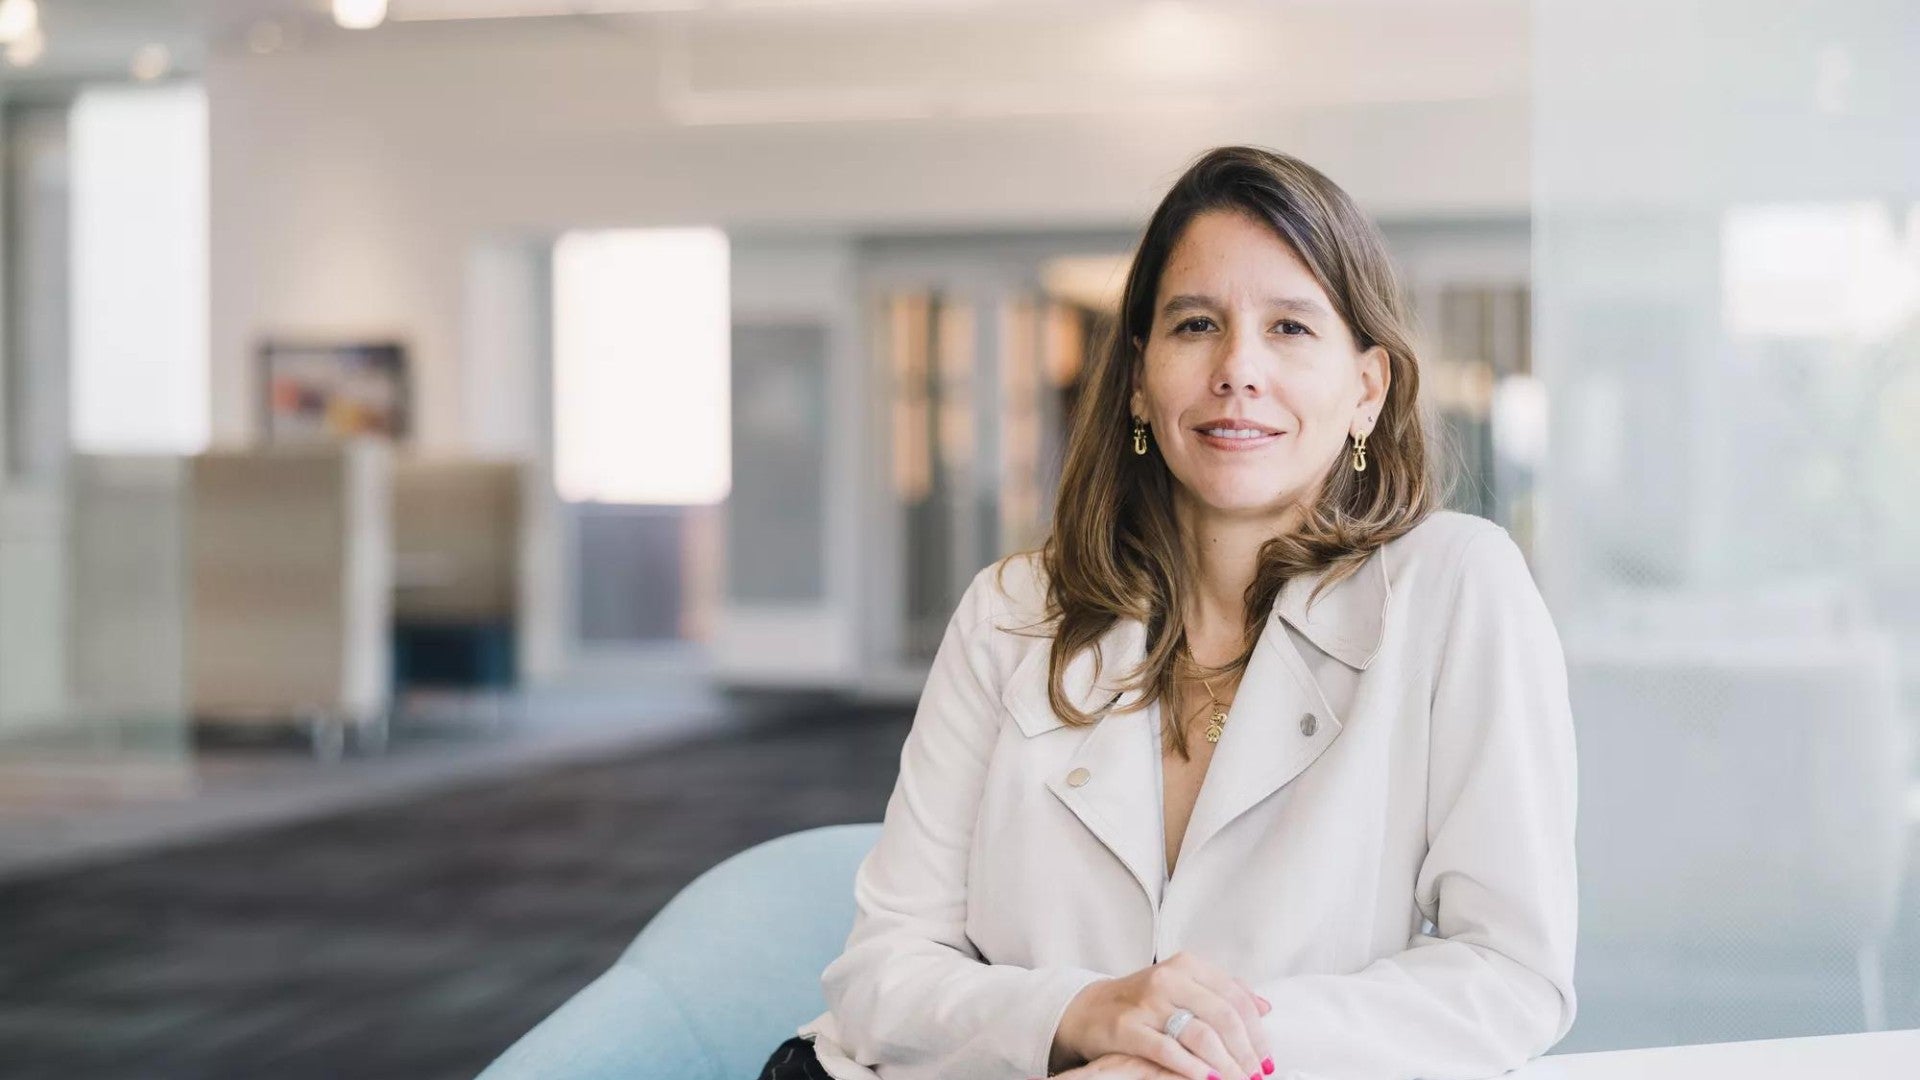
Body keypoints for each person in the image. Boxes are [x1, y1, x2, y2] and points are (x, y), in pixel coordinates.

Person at [758, 145, 1577, 1080]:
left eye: (1291, 329)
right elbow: (879, 976)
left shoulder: (1457, 587)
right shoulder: (1011, 611)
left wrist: (1175, 1061)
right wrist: (1083, 1014)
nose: (1238, 368)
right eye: (1196, 325)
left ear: (1367, 388)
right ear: (1140, 375)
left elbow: (1509, 973)